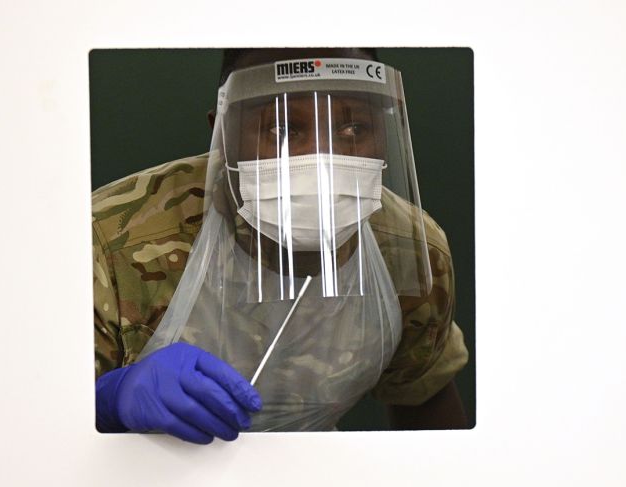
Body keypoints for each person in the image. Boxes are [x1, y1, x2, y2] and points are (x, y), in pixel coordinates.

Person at [93, 48, 469, 443]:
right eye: (282, 130)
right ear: (221, 134)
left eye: (354, 129)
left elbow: (425, 404)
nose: (322, 161)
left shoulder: (409, 249)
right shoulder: (111, 240)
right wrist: (108, 400)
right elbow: (33, 429)